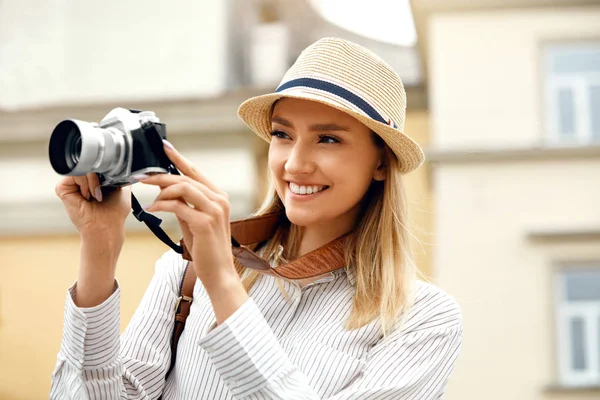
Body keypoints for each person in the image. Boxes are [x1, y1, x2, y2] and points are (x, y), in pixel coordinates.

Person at [50, 37, 462, 399]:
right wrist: (100, 246)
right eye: (282, 134)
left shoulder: (423, 320)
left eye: (329, 139)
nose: (295, 164)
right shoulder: (185, 269)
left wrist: (223, 283)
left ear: (381, 163)